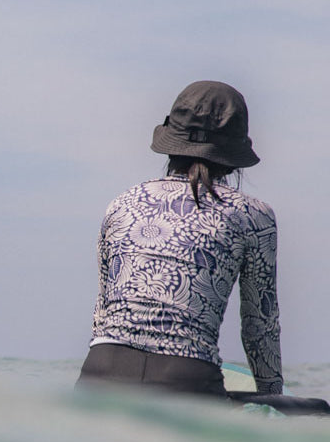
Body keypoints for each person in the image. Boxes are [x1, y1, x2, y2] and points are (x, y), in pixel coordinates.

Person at [77, 81, 282, 397]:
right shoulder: (253, 215)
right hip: (186, 377)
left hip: (100, 371)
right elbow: (260, 327)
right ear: (235, 153)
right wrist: (273, 399)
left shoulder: (121, 204)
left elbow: (102, 316)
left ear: (170, 143)